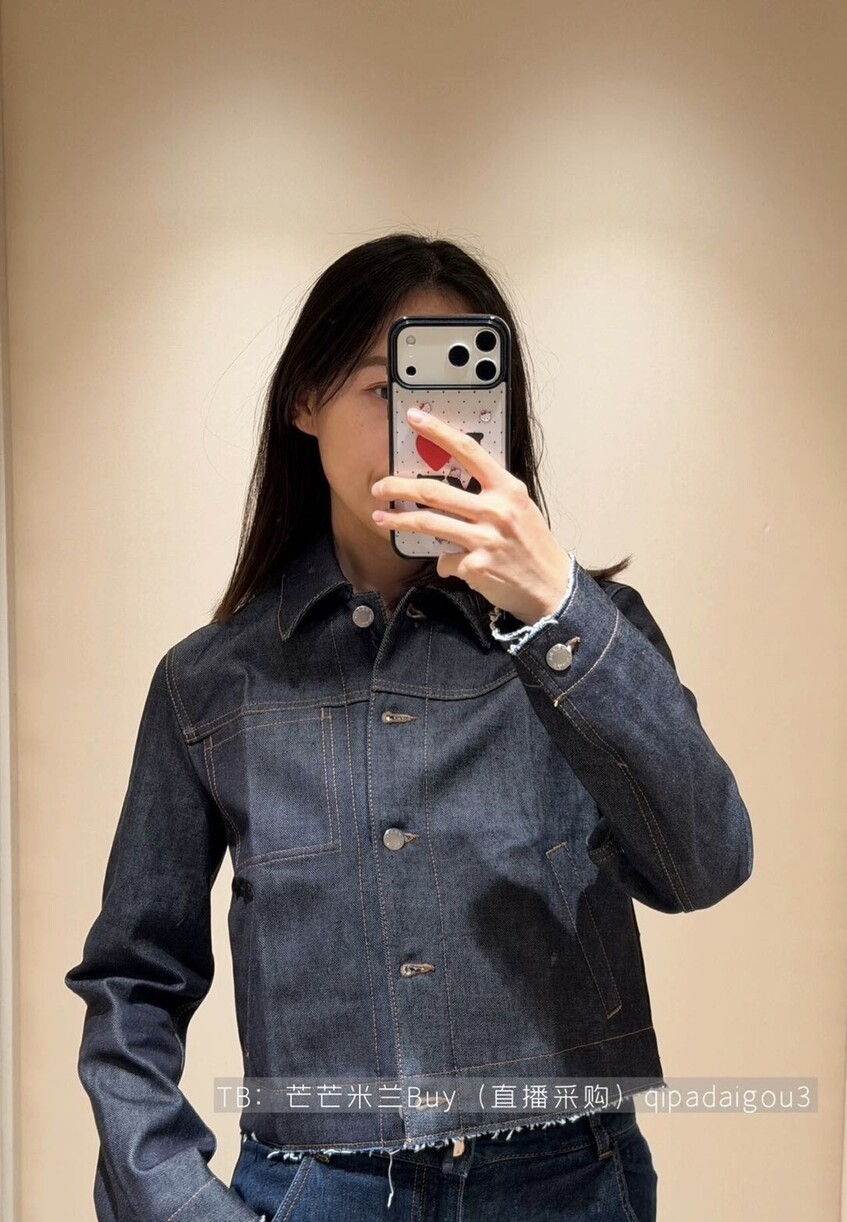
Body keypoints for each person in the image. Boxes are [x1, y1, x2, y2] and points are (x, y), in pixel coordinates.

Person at [65, 232, 754, 1221]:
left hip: (566, 1181)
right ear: (304, 400)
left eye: (455, 392)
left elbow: (704, 863)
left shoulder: (590, 640)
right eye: (384, 387)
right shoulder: (211, 684)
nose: (422, 431)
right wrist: (175, 1203)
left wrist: (557, 611)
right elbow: (134, 981)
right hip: (317, 1187)